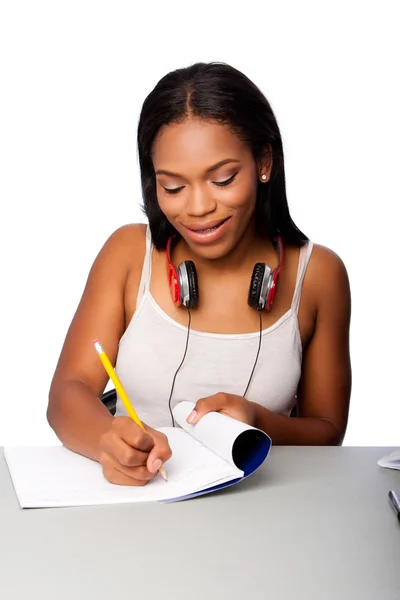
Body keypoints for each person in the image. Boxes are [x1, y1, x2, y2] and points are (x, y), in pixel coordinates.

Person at [47, 62, 351, 487]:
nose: (197, 208)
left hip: (265, 512)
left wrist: (259, 421)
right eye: (172, 187)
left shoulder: (320, 275)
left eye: (223, 179)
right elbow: (67, 392)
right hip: (142, 503)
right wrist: (106, 440)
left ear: (264, 162)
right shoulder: (127, 254)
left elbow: (327, 432)